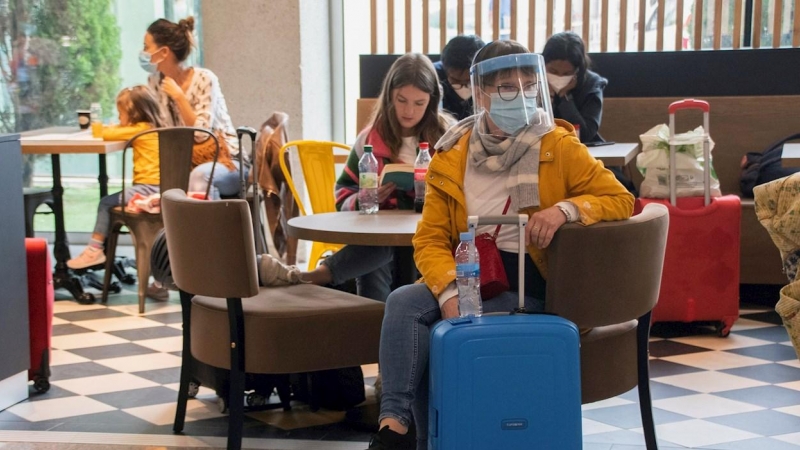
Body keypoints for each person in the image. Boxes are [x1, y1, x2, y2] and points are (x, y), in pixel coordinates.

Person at [365, 41, 635, 450]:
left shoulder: (558, 145)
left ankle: (430, 441)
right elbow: (431, 237)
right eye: (508, 86)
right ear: (482, 93)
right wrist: (449, 290)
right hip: (468, 271)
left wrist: (566, 209)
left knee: (437, 330)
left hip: (534, 280)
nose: (522, 96)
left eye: (530, 85)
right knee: (403, 302)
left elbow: (621, 199)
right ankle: (394, 429)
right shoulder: (451, 154)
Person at [258, 53, 453, 302]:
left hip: (431, 232)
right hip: (380, 234)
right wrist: (365, 198)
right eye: (401, 100)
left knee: (380, 249)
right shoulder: (370, 139)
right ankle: (373, 325)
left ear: (432, 101)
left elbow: (460, 192)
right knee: (378, 248)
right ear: (390, 96)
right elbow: (342, 193)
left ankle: (311, 278)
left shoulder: (446, 138)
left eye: (419, 103)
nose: (409, 110)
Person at [67, 86, 169, 273]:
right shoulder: (157, 127)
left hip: (148, 188)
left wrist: (105, 124)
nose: (120, 118)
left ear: (133, 114)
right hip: (164, 187)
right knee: (109, 201)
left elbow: (101, 133)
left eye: (121, 114)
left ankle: (94, 249)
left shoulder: (138, 129)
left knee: (106, 203)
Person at [141, 16, 243, 198]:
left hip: (227, 161)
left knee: (200, 177)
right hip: (185, 162)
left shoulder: (205, 79)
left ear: (164, 52)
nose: (143, 53)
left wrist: (179, 97)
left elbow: (201, 134)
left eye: (147, 47)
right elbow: (159, 130)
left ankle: (205, 227)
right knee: (155, 183)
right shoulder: (154, 82)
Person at [542, 31, 607, 144]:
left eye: (567, 73)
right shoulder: (531, 81)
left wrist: (565, 98)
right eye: (553, 71)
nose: (559, 77)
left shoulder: (592, 85)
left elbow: (585, 135)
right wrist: (547, 100)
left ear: (577, 71)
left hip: (581, 152)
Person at [434, 34, 485, 121]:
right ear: (445, 68)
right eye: (456, 81)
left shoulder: (488, 78)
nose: (463, 86)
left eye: (469, 82)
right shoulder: (434, 76)